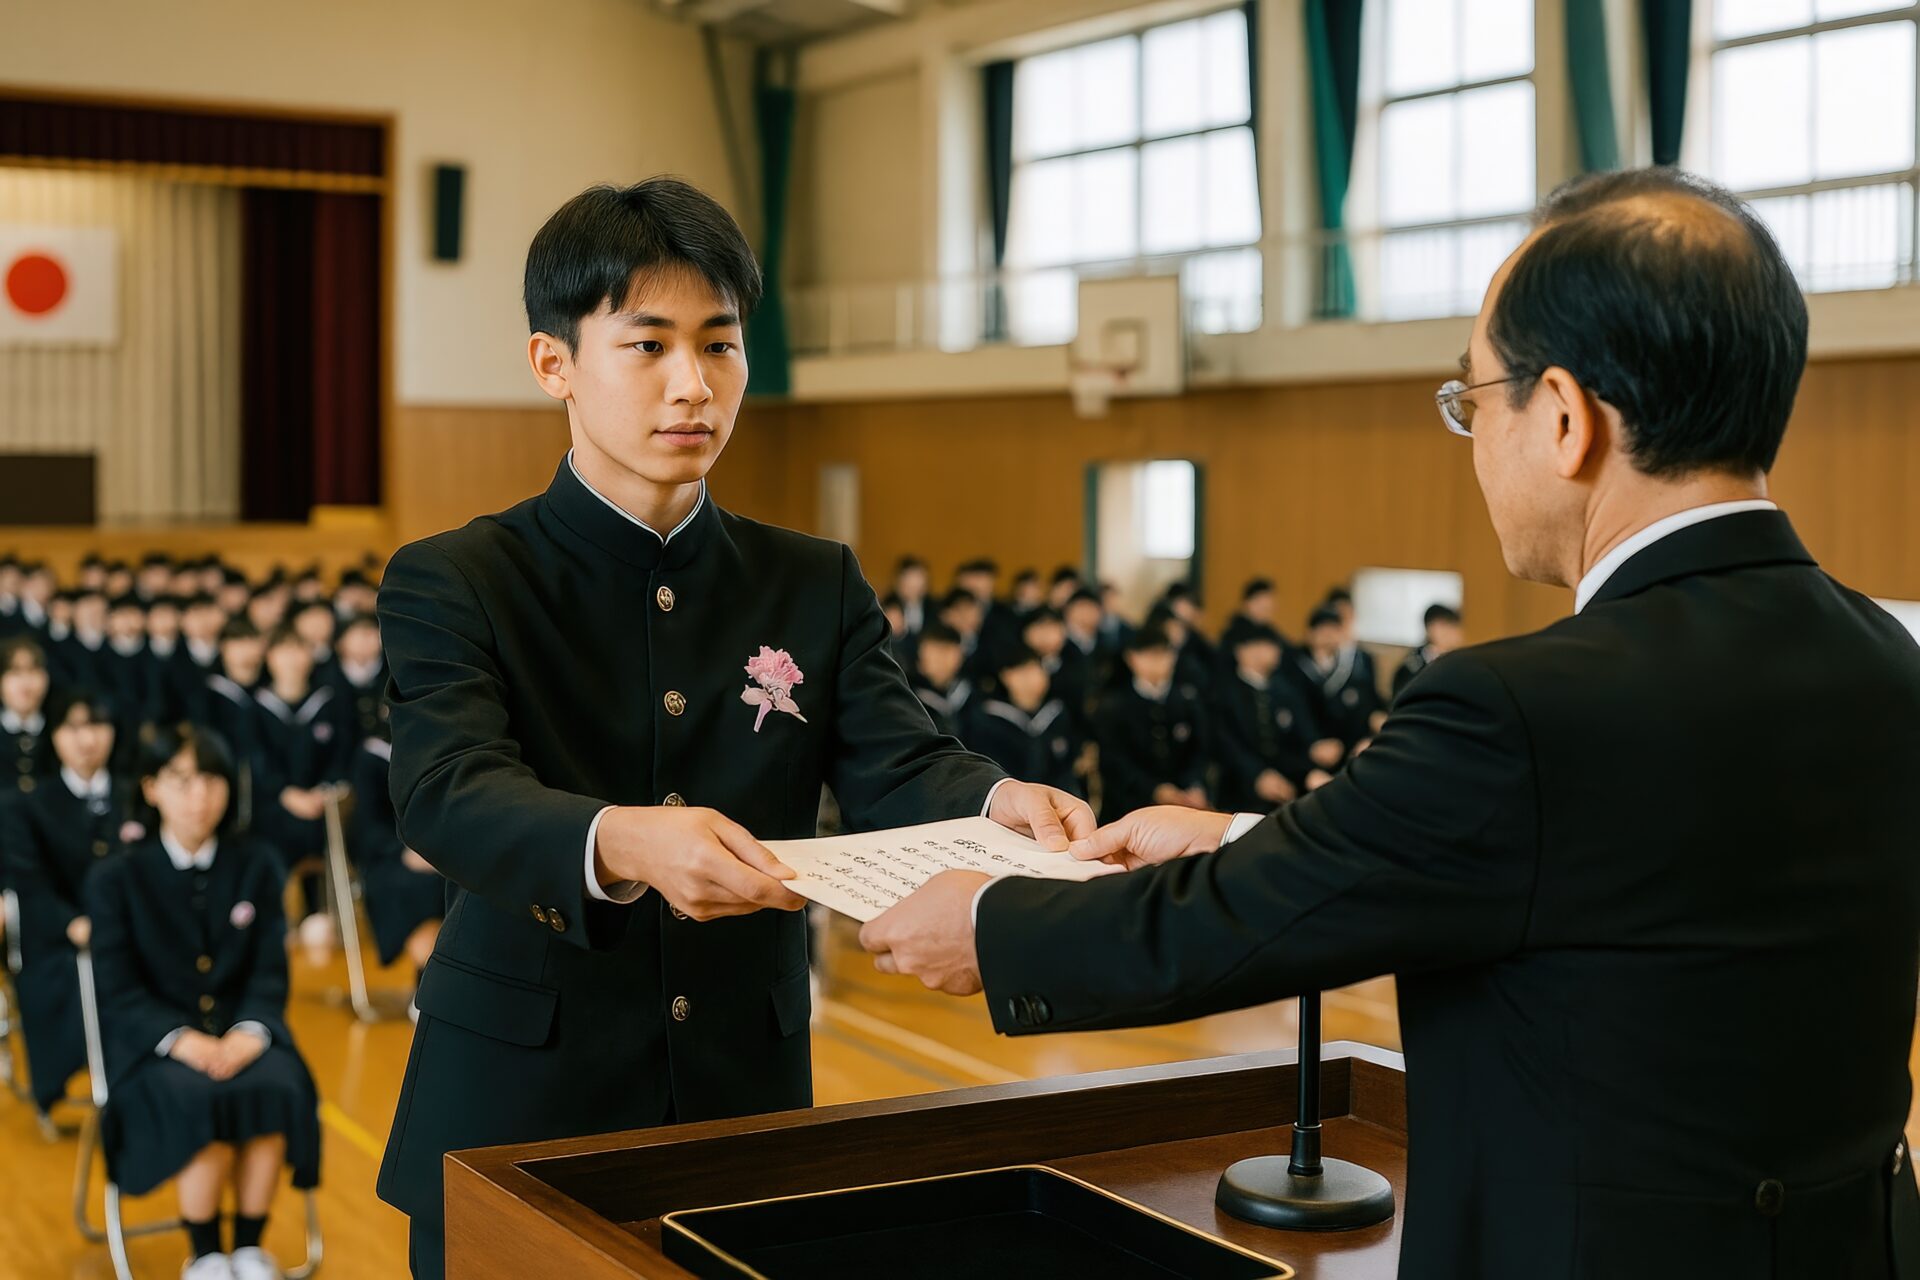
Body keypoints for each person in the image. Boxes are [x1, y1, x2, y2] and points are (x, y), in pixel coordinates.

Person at [860, 168, 1920, 1279]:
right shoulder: (1885, 661)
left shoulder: (1523, 705)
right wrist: (1232, 832)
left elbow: (1244, 926)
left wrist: (990, 924)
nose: (1471, 441)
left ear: (1565, 417)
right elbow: (1596, 872)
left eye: (1475, 400)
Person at [372, 176, 1090, 1279]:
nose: (693, 385)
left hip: (740, 1089)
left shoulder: (812, 580)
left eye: (721, 344)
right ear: (553, 363)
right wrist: (624, 840)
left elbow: (901, 762)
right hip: (520, 1097)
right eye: (648, 345)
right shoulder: (459, 576)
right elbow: (449, 790)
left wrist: (999, 803)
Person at [87, 722, 321, 1280]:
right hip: (153, 1048)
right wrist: (183, 1041)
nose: (200, 796)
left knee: (277, 1082)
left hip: (243, 1033)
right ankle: (206, 1253)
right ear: (150, 788)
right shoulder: (116, 878)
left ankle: (248, 1248)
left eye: (212, 780)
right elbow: (117, 990)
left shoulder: (256, 864)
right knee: (197, 1097)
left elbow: (269, 972)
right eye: (182, 780)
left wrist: (250, 1032)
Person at [1, 688, 128, 1123]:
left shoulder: (135, 797)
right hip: (57, 934)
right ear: (55, 737)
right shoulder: (29, 805)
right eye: (73, 728)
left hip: (125, 930)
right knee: (61, 983)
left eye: (96, 725)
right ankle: (56, 1086)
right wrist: (71, 922)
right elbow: (28, 881)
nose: (86, 739)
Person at [347, 705, 441, 1002]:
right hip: (388, 859)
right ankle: (426, 985)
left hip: (443, 854)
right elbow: (364, 826)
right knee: (415, 888)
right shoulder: (370, 756)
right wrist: (405, 852)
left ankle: (444, 984)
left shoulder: (441, 748)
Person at [1210, 624, 1338, 811]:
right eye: (1267, 646)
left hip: (1286, 783)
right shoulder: (1224, 693)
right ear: (1243, 651)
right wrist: (1257, 775)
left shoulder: (1286, 690)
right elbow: (1225, 744)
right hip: (1240, 787)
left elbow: (1301, 737)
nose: (1276, 652)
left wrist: (1312, 755)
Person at [1090, 625, 1208, 819]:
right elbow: (1113, 760)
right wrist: (1154, 790)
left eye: (1163, 654)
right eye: (1149, 655)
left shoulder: (1188, 700)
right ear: (1131, 658)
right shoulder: (1113, 706)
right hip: (1130, 808)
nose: (1157, 662)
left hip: (1183, 803)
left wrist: (1193, 784)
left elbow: (1200, 749)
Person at [965, 645, 1081, 798]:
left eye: (1035, 669)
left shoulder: (1057, 712)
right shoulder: (991, 719)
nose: (1032, 678)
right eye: (1022, 672)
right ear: (1005, 677)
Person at [909, 621, 974, 741]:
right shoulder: (909, 694)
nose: (941, 659)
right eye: (935, 651)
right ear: (920, 654)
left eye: (948, 650)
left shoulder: (970, 694)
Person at [1393, 604, 1463, 700]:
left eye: (1452, 626)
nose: (1448, 632)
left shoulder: (1461, 659)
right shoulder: (1413, 663)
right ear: (1429, 628)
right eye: (1442, 626)